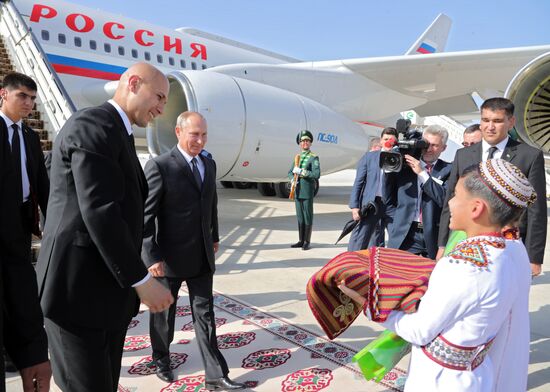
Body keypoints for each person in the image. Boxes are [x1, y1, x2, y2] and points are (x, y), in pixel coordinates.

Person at [341, 159, 536, 392]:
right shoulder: (512, 249)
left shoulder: (462, 265)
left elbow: (419, 331)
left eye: (455, 195)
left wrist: (370, 304)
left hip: (440, 380)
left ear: (476, 208)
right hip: (477, 374)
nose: (449, 202)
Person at [35, 63, 173, 392]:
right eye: (159, 97)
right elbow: (100, 210)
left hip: (104, 297)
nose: (162, 108)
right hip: (75, 294)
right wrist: (142, 280)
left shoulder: (118, 132)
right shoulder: (92, 124)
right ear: (134, 83)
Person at [142, 111, 245, 390]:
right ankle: (161, 357)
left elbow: (210, 203)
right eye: (194, 134)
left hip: (201, 254)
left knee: (205, 314)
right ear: (178, 132)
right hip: (168, 259)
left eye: (204, 135)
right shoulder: (160, 166)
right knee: (164, 314)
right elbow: (146, 216)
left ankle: (215, 375)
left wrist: (214, 236)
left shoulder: (208, 164)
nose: (200, 140)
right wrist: (151, 256)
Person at [438, 97, 547, 276]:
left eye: (497, 121)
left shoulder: (529, 156)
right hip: (463, 240)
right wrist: (443, 244)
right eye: (485, 120)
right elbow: (449, 200)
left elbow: (537, 210)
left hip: (508, 244)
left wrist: (534, 258)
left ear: (511, 122)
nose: (490, 127)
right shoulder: (463, 155)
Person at [0, 72, 51, 391]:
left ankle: (15, 351)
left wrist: (51, 222)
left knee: (21, 291)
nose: (30, 104)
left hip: (19, 223)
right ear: (3, 94)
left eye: (33, 99)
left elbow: (42, 186)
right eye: (23, 96)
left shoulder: (31, 138)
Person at [386, 125, 451, 259]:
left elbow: (444, 199)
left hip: (434, 234)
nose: (428, 149)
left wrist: (422, 173)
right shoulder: (404, 167)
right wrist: (394, 224)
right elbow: (388, 198)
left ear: (443, 148)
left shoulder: (449, 169)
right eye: (426, 144)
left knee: (432, 277)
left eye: (434, 145)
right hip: (406, 233)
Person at [347, 127, 398, 251]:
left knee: (397, 238)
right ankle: (352, 264)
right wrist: (354, 207)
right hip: (372, 204)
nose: (388, 142)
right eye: (386, 139)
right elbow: (358, 182)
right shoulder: (369, 157)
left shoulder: (400, 159)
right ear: (380, 141)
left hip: (392, 205)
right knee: (361, 237)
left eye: (392, 140)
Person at [288, 130, 321, 250]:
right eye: (302, 141)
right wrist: (292, 179)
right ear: (300, 144)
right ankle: (301, 240)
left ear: (310, 143)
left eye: (307, 141)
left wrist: (302, 172)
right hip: (297, 190)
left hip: (307, 191)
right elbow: (290, 172)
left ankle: (307, 241)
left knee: (307, 216)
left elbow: (317, 174)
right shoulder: (297, 157)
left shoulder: (313, 158)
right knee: (300, 216)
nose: (305, 143)